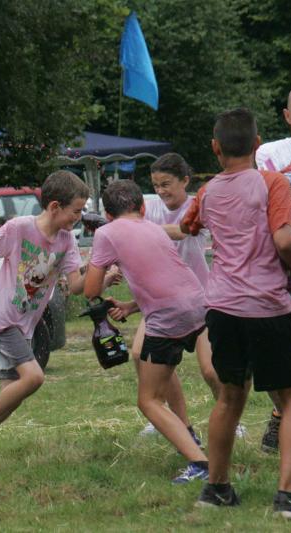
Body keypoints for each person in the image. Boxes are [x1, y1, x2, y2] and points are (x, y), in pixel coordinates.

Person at [0, 170, 110, 465]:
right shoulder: (20, 227)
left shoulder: (66, 241)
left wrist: (104, 275)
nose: (79, 217)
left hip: (24, 323)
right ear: (55, 206)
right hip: (2, 317)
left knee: (11, 397)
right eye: (76, 211)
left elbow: (77, 285)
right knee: (34, 377)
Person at [182, 108, 291, 519]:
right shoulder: (272, 183)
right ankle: (287, 497)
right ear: (257, 144)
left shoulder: (207, 191)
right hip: (268, 306)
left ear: (215, 148)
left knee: (230, 397)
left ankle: (216, 489)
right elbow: (285, 241)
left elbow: (189, 226)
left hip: (222, 309)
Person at [84, 179, 210, 484]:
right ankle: (186, 430)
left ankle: (200, 463)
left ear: (108, 215)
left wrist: (104, 270)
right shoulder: (153, 227)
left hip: (167, 317)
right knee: (157, 367)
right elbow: (163, 279)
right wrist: (129, 306)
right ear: (142, 207)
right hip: (197, 303)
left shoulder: (106, 233)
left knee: (148, 400)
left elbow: (89, 289)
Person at [138, 153, 246, 441]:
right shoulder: (149, 210)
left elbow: (182, 232)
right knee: (140, 356)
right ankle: (171, 419)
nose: (160, 191)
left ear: (185, 180)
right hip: (163, 303)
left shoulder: (196, 206)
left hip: (201, 301)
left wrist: (147, 231)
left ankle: (232, 419)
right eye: (156, 185)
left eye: (166, 184)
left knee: (211, 371)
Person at [255, 83, 291, 453]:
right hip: (288, 278)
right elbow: (272, 192)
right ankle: (282, 416)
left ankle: (285, 423)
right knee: (278, 365)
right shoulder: (268, 153)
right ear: (288, 117)